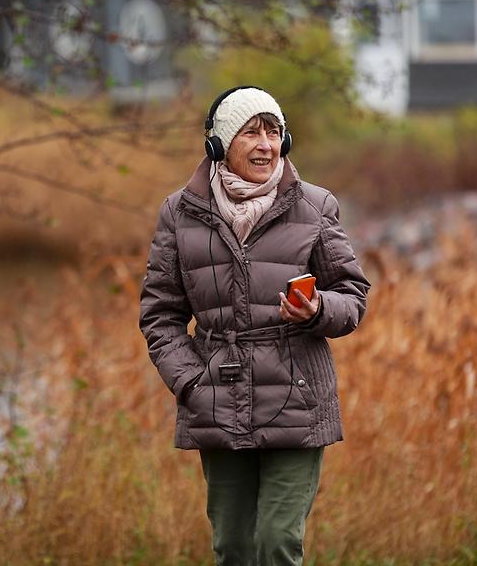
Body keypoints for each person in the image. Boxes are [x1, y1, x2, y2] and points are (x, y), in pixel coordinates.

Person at [139, 86, 370, 565]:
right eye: (252, 132)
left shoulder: (314, 206)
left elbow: (352, 297)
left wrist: (318, 310)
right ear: (220, 144)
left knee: (277, 542)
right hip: (217, 400)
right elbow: (160, 315)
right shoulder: (179, 213)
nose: (266, 144)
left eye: (275, 132)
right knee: (234, 548)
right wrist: (191, 383)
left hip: (297, 398)